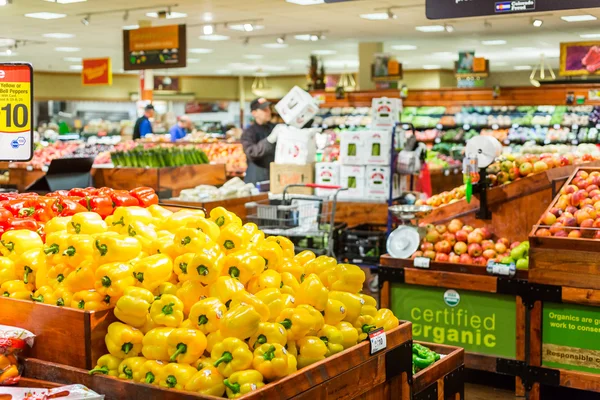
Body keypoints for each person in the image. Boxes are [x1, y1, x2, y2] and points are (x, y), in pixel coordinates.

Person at [241, 98, 279, 184]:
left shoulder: (275, 128)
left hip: (275, 175)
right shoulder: (249, 133)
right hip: (257, 178)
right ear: (254, 113)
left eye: (269, 108)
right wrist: (269, 140)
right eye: (264, 109)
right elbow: (252, 152)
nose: (268, 111)